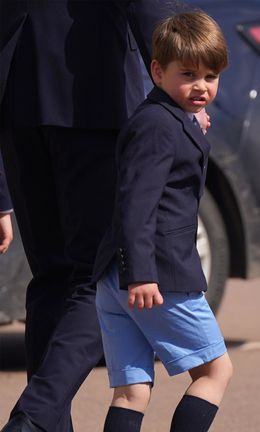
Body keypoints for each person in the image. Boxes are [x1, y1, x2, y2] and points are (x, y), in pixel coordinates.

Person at [0, 3, 192, 431]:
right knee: (95, 277)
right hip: (90, 97)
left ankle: (42, 422)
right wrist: (186, 87)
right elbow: (150, 7)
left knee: (52, 277)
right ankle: (31, 419)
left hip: (17, 101)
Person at [89, 11, 233, 432]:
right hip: (156, 278)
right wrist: (141, 274)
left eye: (211, 76)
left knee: (132, 390)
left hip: (119, 279)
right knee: (214, 372)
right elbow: (137, 203)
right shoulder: (157, 126)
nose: (202, 86)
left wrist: (191, 122)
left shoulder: (166, 118)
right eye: (188, 75)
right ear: (156, 71)